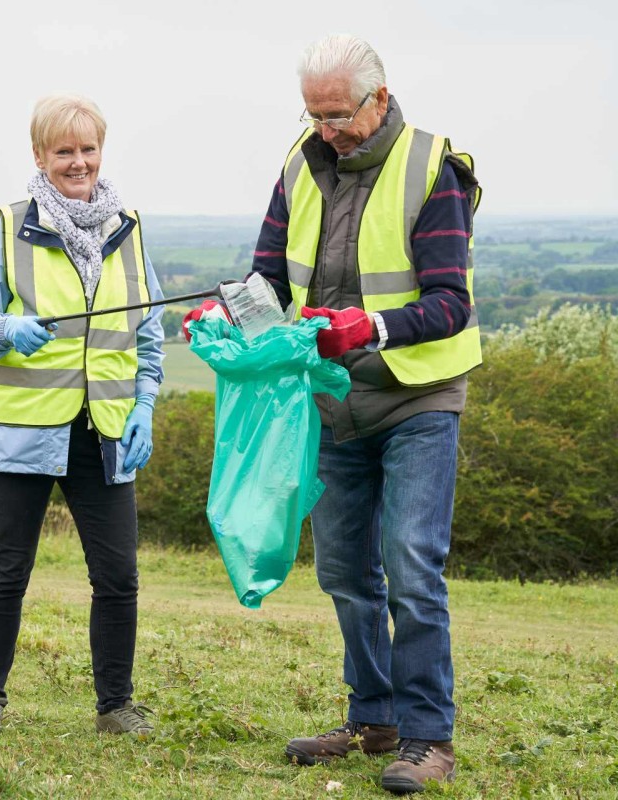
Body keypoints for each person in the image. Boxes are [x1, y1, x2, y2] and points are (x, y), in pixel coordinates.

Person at [210, 34, 480, 793]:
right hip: (329, 400)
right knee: (343, 571)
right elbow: (266, 275)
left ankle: (429, 738)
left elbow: (451, 303)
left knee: (409, 565)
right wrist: (231, 311)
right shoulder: (300, 163)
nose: (325, 129)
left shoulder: (433, 168)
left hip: (416, 396)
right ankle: (373, 719)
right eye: (313, 113)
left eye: (337, 114)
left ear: (380, 99)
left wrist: (375, 325)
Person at [0, 94, 165, 738]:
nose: (79, 162)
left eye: (88, 149)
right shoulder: (9, 227)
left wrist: (145, 406)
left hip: (104, 435)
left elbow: (148, 333)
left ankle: (115, 707)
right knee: (7, 573)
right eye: (64, 151)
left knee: (118, 577)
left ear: (102, 151)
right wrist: (4, 330)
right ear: (40, 156)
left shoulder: (128, 227)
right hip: (20, 434)